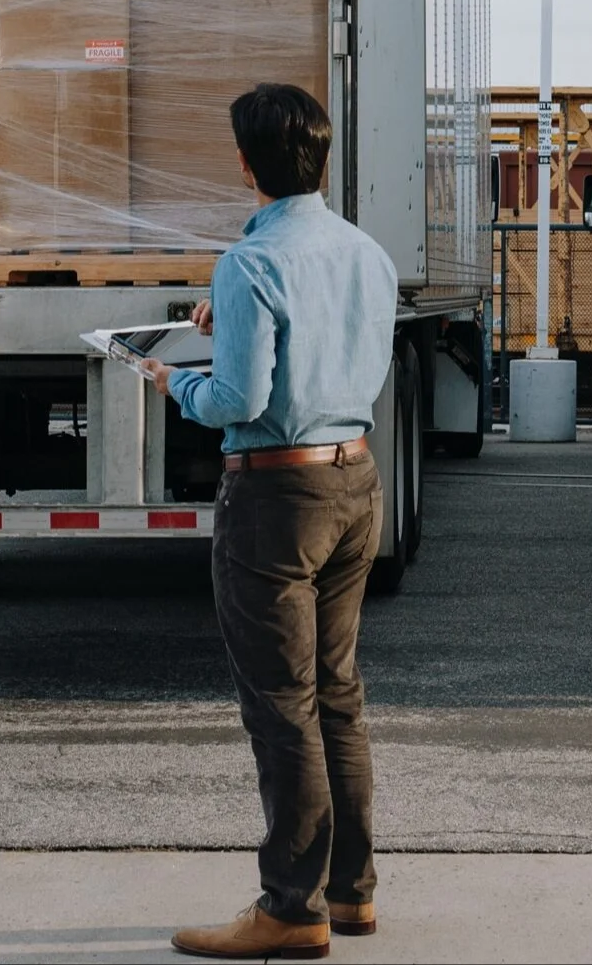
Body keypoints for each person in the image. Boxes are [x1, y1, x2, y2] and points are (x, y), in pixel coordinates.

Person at [137, 84, 399, 960]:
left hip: (275, 501)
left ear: (246, 164)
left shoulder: (248, 264)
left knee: (283, 708)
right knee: (338, 696)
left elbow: (239, 397)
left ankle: (292, 905)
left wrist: (173, 382)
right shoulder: (368, 254)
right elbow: (337, 360)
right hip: (355, 481)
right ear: (321, 158)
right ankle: (351, 892)